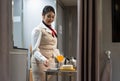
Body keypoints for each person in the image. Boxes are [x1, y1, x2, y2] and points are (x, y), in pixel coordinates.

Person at [31, 5, 60, 81]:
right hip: (40, 63)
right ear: (43, 15)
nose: (51, 19)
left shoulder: (53, 31)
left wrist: (61, 59)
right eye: (49, 16)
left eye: (53, 17)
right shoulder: (38, 30)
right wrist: (43, 59)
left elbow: (54, 49)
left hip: (51, 62)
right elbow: (35, 50)